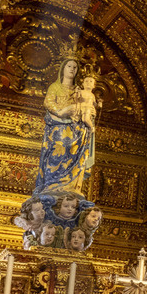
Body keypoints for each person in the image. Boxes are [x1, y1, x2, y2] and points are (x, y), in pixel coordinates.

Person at [34, 54, 96, 195]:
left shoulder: (78, 90)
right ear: (63, 68)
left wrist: (90, 110)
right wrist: (61, 112)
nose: (72, 69)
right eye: (69, 66)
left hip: (76, 130)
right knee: (57, 154)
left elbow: (85, 106)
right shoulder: (55, 87)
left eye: (75, 67)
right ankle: (52, 185)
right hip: (58, 127)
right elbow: (48, 103)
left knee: (73, 154)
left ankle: (70, 186)